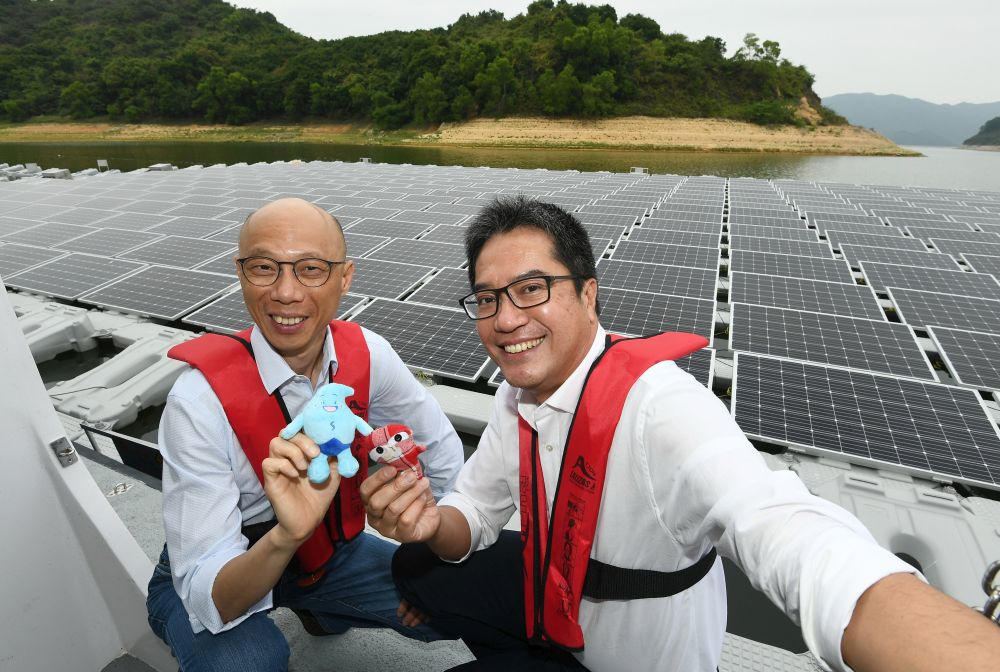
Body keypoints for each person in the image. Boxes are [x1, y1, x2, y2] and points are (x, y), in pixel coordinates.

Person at [362, 195, 1000, 672]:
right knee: (418, 561)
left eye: (532, 289)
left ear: (589, 295)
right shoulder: (514, 397)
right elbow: (472, 511)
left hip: (629, 655)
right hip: (550, 596)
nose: (506, 319)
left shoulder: (662, 409)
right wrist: (426, 524)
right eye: (487, 298)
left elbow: (782, 524)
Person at [146, 198, 464, 672]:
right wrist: (287, 536)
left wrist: (431, 543)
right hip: (232, 561)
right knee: (250, 663)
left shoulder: (369, 354)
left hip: (330, 548)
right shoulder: (197, 400)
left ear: (345, 277)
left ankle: (317, 606)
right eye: (263, 268)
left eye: (311, 269)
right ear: (240, 272)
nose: (286, 293)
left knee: (456, 604)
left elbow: (440, 451)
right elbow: (212, 592)